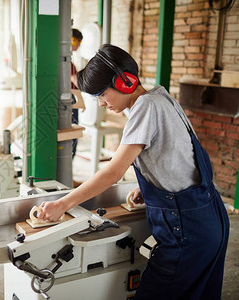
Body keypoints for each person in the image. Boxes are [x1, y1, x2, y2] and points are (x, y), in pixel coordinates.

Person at [37, 44, 230, 299]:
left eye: (103, 94)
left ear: (125, 81)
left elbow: (112, 173)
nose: (102, 103)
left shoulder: (145, 107)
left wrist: (62, 204)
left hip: (187, 229)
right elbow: (179, 155)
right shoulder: (161, 97)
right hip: (210, 219)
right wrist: (149, 182)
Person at [70, 28, 83, 160]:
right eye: (78, 42)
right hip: (70, 102)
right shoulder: (67, 64)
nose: (78, 46)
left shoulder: (67, 62)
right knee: (72, 135)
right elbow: (77, 82)